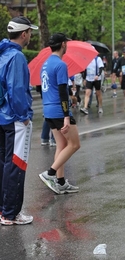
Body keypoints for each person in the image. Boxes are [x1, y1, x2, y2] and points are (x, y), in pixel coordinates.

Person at [0, 16, 36, 225]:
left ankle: (4, 209)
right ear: (24, 34)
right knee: (16, 164)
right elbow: (17, 90)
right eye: (30, 32)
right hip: (14, 118)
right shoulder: (17, 57)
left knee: (4, 164)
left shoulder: (2, 53)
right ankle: (11, 213)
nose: (31, 35)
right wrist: (24, 117)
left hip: (2, 116)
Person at [39, 33, 80, 195]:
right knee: (75, 144)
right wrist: (67, 116)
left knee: (62, 145)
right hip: (58, 110)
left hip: (48, 110)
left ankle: (61, 181)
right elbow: (63, 91)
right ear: (63, 44)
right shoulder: (60, 65)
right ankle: (49, 173)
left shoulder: (46, 63)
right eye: (66, 43)